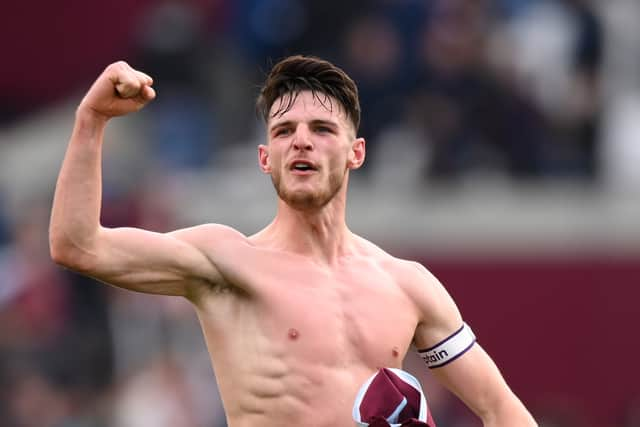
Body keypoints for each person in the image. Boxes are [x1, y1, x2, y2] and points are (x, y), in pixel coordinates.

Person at [49, 55, 537, 427]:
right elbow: (78, 246)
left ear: (356, 153)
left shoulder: (408, 285)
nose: (301, 141)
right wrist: (92, 120)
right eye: (284, 131)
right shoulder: (227, 263)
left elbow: (500, 410)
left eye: (322, 129)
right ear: (265, 158)